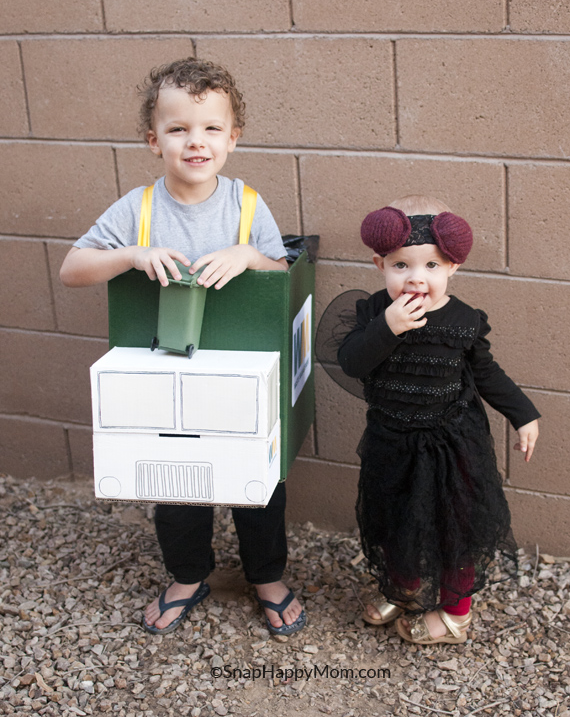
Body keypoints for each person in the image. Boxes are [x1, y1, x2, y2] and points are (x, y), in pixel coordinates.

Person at [60, 57, 305, 637]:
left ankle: (266, 575)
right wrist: (131, 255)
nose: (196, 142)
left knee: (257, 476)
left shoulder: (246, 204)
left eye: (211, 128)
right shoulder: (138, 210)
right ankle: (188, 575)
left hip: (241, 376)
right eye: (178, 129)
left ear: (232, 138)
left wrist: (249, 256)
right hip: (166, 374)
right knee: (177, 479)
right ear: (154, 140)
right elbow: (73, 269)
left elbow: (282, 271)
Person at [337, 194, 540, 645]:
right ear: (379, 264)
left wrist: (523, 415)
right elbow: (351, 362)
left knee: (456, 527)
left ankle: (455, 613)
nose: (416, 279)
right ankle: (404, 586)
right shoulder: (374, 312)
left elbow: (486, 374)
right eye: (401, 266)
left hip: (452, 443)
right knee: (394, 517)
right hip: (391, 439)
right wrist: (387, 326)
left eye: (431, 266)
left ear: (452, 268)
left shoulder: (463, 321)